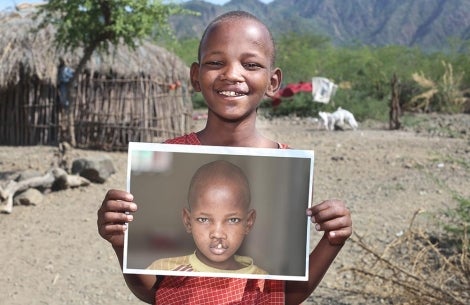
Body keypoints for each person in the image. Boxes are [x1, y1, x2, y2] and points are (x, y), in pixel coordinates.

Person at [97, 10, 352, 305]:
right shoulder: (169, 156)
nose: (231, 74)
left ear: (273, 81)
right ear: (195, 76)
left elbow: (288, 295)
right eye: (216, 62)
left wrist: (332, 240)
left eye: (251, 64)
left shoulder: (286, 167)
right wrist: (121, 242)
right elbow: (153, 292)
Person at [147, 160, 267, 275]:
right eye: (203, 219)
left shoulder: (263, 281)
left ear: (248, 222)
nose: (218, 234)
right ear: (188, 221)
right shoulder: (163, 270)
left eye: (232, 220)